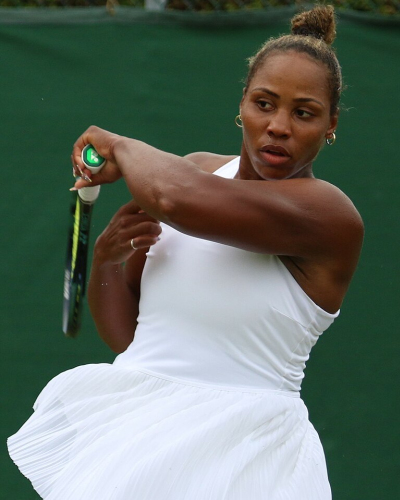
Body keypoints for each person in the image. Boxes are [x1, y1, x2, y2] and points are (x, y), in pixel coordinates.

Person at [8, 5, 363, 499]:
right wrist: (107, 260)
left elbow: (175, 199)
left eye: (303, 113)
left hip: (248, 460)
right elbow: (133, 343)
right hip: (136, 443)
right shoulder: (195, 170)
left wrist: (119, 145)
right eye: (264, 104)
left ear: (331, 124)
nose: (278, 126)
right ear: (242, 103)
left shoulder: (329, 215)